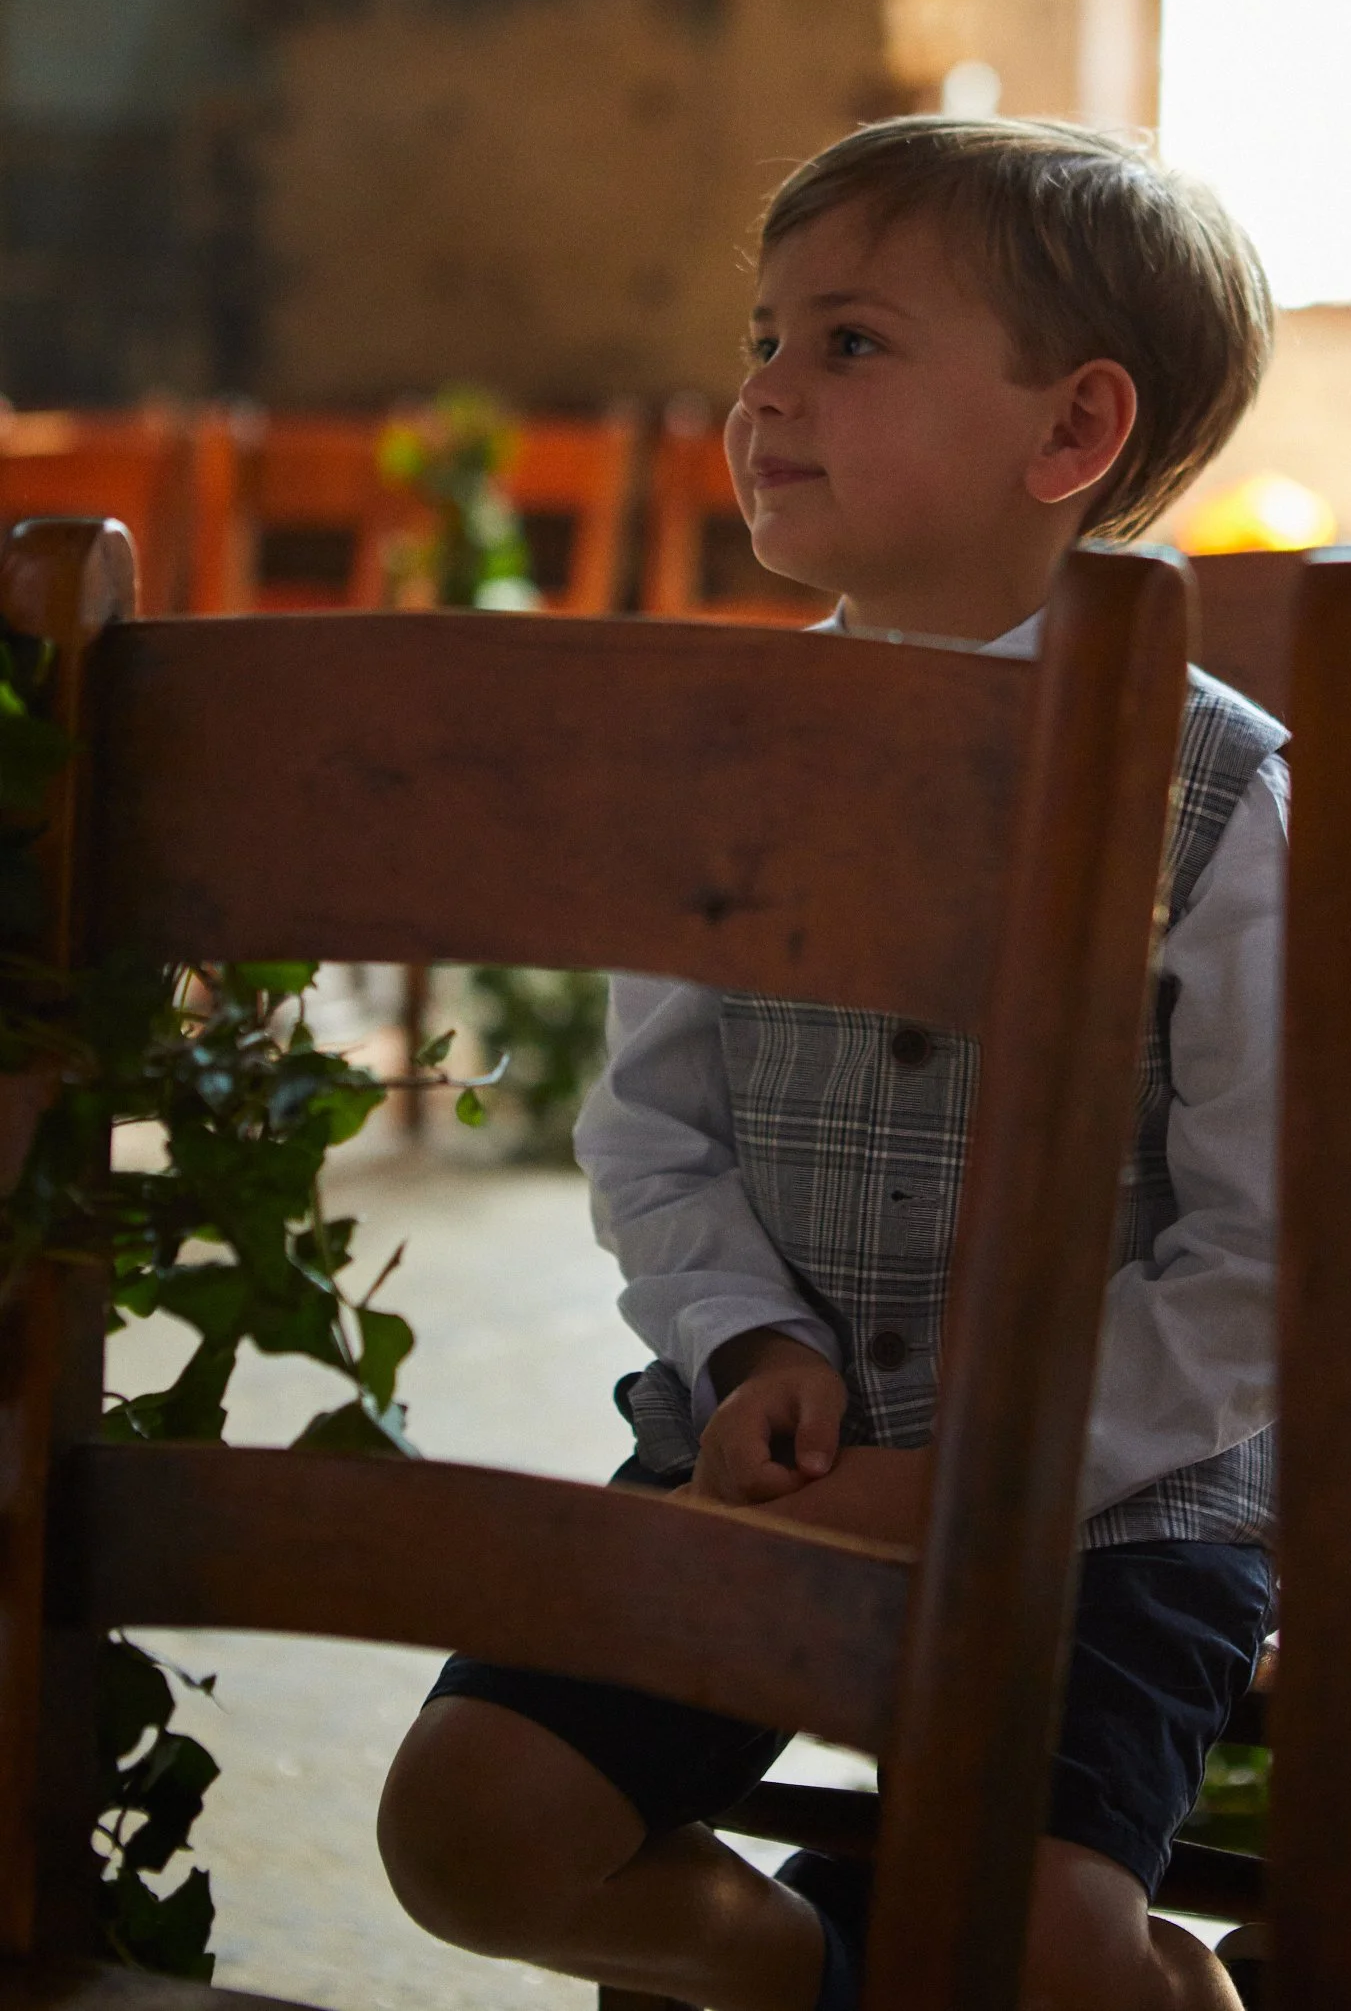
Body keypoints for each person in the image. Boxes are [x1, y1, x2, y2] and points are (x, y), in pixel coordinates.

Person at [378, 116, 1286, 2011]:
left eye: (848, 345)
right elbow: (652, 1132)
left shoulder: (1227, 798)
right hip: (761, 1456)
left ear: (1070, 434)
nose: (767, 394)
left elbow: (1264, 1254)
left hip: (1107, 1511)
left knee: (1034, 1946)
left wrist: (986, 1473)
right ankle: (806, 1979)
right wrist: (746, 1344)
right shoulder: (729, 753)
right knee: (471, 1825)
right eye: (764, 339)